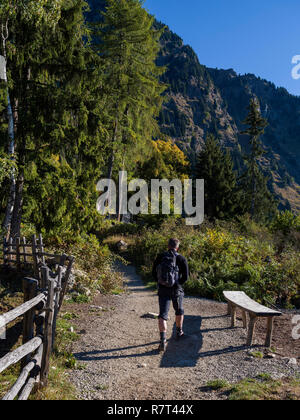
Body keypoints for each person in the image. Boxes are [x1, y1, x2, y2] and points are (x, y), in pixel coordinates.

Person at [152, 238, 189, 352]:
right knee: (179, 310)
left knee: (162, 314)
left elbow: (153, 272)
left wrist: (160, 283)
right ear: (177, 247)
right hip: (176, 289)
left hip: (163, 289)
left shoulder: (161, 256)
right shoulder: (181, 258)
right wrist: (178, 284)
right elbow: (186, 277)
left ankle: (163, 340)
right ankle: (179, 331)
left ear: (168, 246)